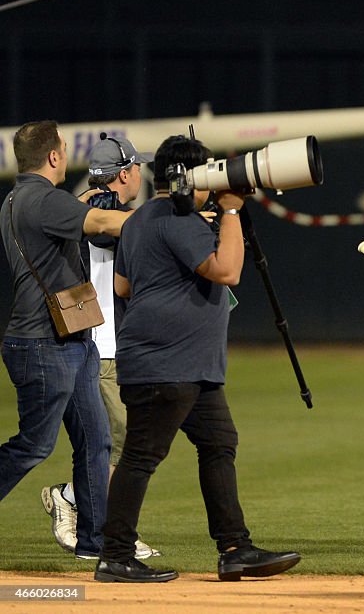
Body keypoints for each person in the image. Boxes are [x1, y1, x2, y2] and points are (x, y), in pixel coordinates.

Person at [96, 135, 301, 583]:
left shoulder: (140, 219)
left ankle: (235, 548)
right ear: (191, 178)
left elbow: (123, 288)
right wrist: (229, 213)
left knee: (218, 442)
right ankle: (115, 555)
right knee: (140, 456)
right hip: (167, 364)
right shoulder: (180, 218)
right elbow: (227, 271)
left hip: (183, 365)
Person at [0, 120, 130, 562]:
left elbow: (58, 227)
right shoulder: (44, 200)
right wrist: (161, 220)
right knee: (34, 444)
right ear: (55, 156)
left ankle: (95, 542)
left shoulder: (19, 198)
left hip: (70, 340)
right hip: (43, 344)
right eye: (61, 148)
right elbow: (105, 222)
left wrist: (74, 207)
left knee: (96, 442)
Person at [41, 134, 160, 560]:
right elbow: (109, 233)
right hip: (99, 343)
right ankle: (106, 526)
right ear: (124, 173)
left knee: (117, 442)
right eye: (137, 168)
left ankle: (78, 501)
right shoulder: (97, 212)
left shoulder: (85, 206)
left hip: (109, 344)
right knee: (122, 441)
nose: (141, 175)